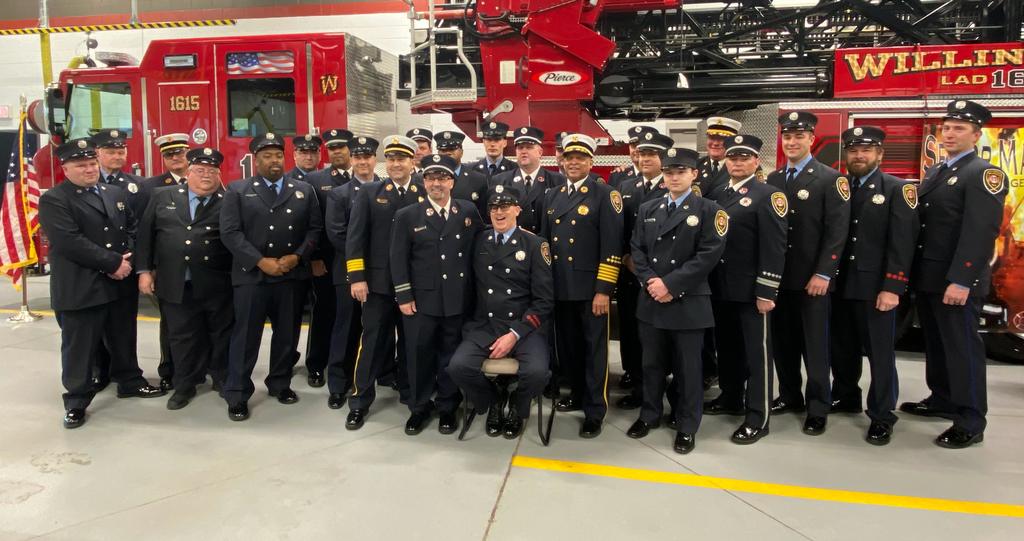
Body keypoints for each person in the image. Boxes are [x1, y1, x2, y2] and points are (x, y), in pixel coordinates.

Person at [900, 100, 1008, 449]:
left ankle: (970, 419)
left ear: (976, 134)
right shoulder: (937, 172)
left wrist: (962, 280)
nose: (949, 133)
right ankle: (943, 398)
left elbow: (980, 231)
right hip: (931, 278)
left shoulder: (983, 174)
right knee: (937, 344)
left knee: (962, 349)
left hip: (956, 282)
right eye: (946, 127)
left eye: (959, 128)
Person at [39, 138, 165, 429]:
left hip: (118, 284)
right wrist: (113, 263)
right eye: (80, 165)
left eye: (92, 163)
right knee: (80, 346)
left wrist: (129, 260)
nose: (89, 169)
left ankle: (129, 380)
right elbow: (69, 241)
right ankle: (76, 400)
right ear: (65, 168)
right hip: (82, 285)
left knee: (123, 335)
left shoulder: (113, 192)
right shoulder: (55, 199)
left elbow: (132, 227)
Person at [625, 146, 727, 454]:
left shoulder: (710, 210)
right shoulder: (649, 208)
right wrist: (650, 282)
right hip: (652, 298)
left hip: (687, 301)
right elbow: (637, 249)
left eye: (680, 171)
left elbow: (708, 256)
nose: (674, 177)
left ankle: (686, 424)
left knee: (688, 369)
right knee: (651, 363)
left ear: (694, 174)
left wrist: (669, 285)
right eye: (669, 172)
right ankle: (650, 413)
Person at [219, 133, 323, 421]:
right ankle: (237, 393)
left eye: (278, 155)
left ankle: (280, 383)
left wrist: (298, 256)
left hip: (290, 275)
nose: (274, 160)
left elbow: (314, 229)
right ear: (256, 160)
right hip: (252, 276)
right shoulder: (238, 190)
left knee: (287, 335)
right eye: (267, 156)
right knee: (246, 337)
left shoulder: (302, 189)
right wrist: (260, 261)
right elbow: (230, 233)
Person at [827, 126, 919, 445]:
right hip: (840, 285)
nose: (859, 156)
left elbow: (903, 243)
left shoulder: (896, 189)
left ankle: (881, 415)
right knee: (841, 347)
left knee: (880, 355)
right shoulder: (839, 187)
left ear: (879, 154)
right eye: (853, 150)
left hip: (875, 288)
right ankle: (845, 395)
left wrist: (893, 287)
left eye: (866, 150)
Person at [765, 111, 850, 436]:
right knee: (783, 344)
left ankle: (818, 406)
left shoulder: (830, 179)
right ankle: (790, 395)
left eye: (799, 136)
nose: (792, 142)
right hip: (778, 280)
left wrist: (824, 274)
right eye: (787, 136)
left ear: (811, 139)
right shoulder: (773, 180)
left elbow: (837, 233)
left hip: (812, 281)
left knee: (815, 347)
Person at [448, 190, 554, 439]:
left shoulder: (535, 245)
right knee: (458, 367)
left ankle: (518, 404)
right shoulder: (479, 241)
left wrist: (515, 334)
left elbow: (544, 301)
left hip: (525, 327)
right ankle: (494, 400)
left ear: (518, 210)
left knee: (538, 373)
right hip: (486, 324)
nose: (499, 211)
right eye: (494, 207)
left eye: (506, 206)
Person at [391, 154, 483, 435]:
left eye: (442, 177)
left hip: (457, 300)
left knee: (449, 356)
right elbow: (398, 259)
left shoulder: (467, 211)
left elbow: (480, 248)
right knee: (419, 356)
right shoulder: (408, 215)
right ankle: (418, 408)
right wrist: (404, 297)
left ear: (452, 181)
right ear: (424, 182)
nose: (436, 183)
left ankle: (447, 408)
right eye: (431, 178)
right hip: (421, 302)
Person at [136, 147, 233, 410]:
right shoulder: (162, 196)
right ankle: (185, 385)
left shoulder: (229, 201)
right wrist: (143, 271)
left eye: (212, 171)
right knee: (181, 337)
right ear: (188, 173)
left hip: (217, 282)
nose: (206, 176)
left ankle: (222, 378)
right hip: (175, 282)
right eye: (200, 170)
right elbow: (146, 237)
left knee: (221, 333)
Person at [705, 134, 787, 444]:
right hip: (721, 288)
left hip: (753, 291)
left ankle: (758, 416)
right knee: (727, 349)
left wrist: (767, 290)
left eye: (744, 157)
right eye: (732, 157)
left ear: (756, 161)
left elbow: (775, 247)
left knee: (757, 355)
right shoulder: (717, 193)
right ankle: (730, 397)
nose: (737, 162)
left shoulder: (769, 195)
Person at [540, 133, 624, 438]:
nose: (573, 163)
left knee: (594, 351)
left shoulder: (605, 194)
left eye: (580, 158)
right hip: (561, 287)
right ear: (561, 161)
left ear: (591, 161)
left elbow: (612, 247)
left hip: (591, 290)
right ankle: (575, 392)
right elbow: (545, 246)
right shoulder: (552, 195)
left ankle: (594, 410)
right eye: (569, 158)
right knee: (569, 348)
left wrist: (604, 289)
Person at [344, 135, 424, 429]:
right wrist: (357, 278)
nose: (395, 164)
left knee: (411, 344)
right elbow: (355, 239)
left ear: (412, 161)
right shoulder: (369, 193)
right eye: (390, 159)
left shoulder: (423, 192)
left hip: (413, 288)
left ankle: (411, 395)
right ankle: (360, 400)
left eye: (401, 159)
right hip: (377, 285)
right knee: (372, 343)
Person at [89, 128, 150, 392]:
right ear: (97, 154)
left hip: (125, 268)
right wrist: (106, 261)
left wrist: (131, 263)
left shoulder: (136, 186)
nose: (117, 156)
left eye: (120, 151)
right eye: (111, 151)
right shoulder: (83, 185)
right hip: (91, 269)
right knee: (92, 326)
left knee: (124, 326)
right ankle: (97, 373)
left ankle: (127, 375)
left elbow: (141, 228)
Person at [616, 131, 674, 409]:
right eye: (642, 153)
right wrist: (627, 257)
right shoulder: (625, 185)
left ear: (663, 159)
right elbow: (619, 230)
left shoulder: (675, 188)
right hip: (630, 273)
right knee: (632, 333)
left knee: (664, 339)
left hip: (665, 278)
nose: (644, 158)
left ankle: (667, 389)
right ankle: (639, 386)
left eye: (652, 154)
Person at [322, 136, 380, 410]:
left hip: (382, 275)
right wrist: (367, 261)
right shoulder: (340, 194)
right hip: (349, 272)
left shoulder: (386, 189)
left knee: (377, 330)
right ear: (352, 161)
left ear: (374, 159)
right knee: (346, 329)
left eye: (367, 156)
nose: (363, 162)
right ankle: (338, 384)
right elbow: (337, 235)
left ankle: (382, 374)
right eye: (357, 157)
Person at [300, 129, 354, 388]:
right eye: (332, 148)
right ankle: (316, 364)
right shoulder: (314, 179)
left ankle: (351, 363)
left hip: (355, 262)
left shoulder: (367, 178)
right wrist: (314, 258)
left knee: (352, 317)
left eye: (341, 147)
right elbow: (312, 223)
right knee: (324, 314)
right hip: (327, 260)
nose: (336, 152)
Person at [490, 126, 564, 234]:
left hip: (545, 243)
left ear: (540, 152)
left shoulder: (557, 181)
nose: (523, 151)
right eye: (520, 148)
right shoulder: (501, 180)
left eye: (529, 147)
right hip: (513, 242)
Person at [434, 130, 490, 219]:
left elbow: (484, 217)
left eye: (452, 149)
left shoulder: (478, 179)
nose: (448, 153)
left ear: (462, 152)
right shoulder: (429, 180)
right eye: (443, 150)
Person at [696, 117, 741, 199]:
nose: (715, 143)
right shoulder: (694, 165)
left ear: (733, 142)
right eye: (712, 137)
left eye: (722, 139)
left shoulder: (743, 167)